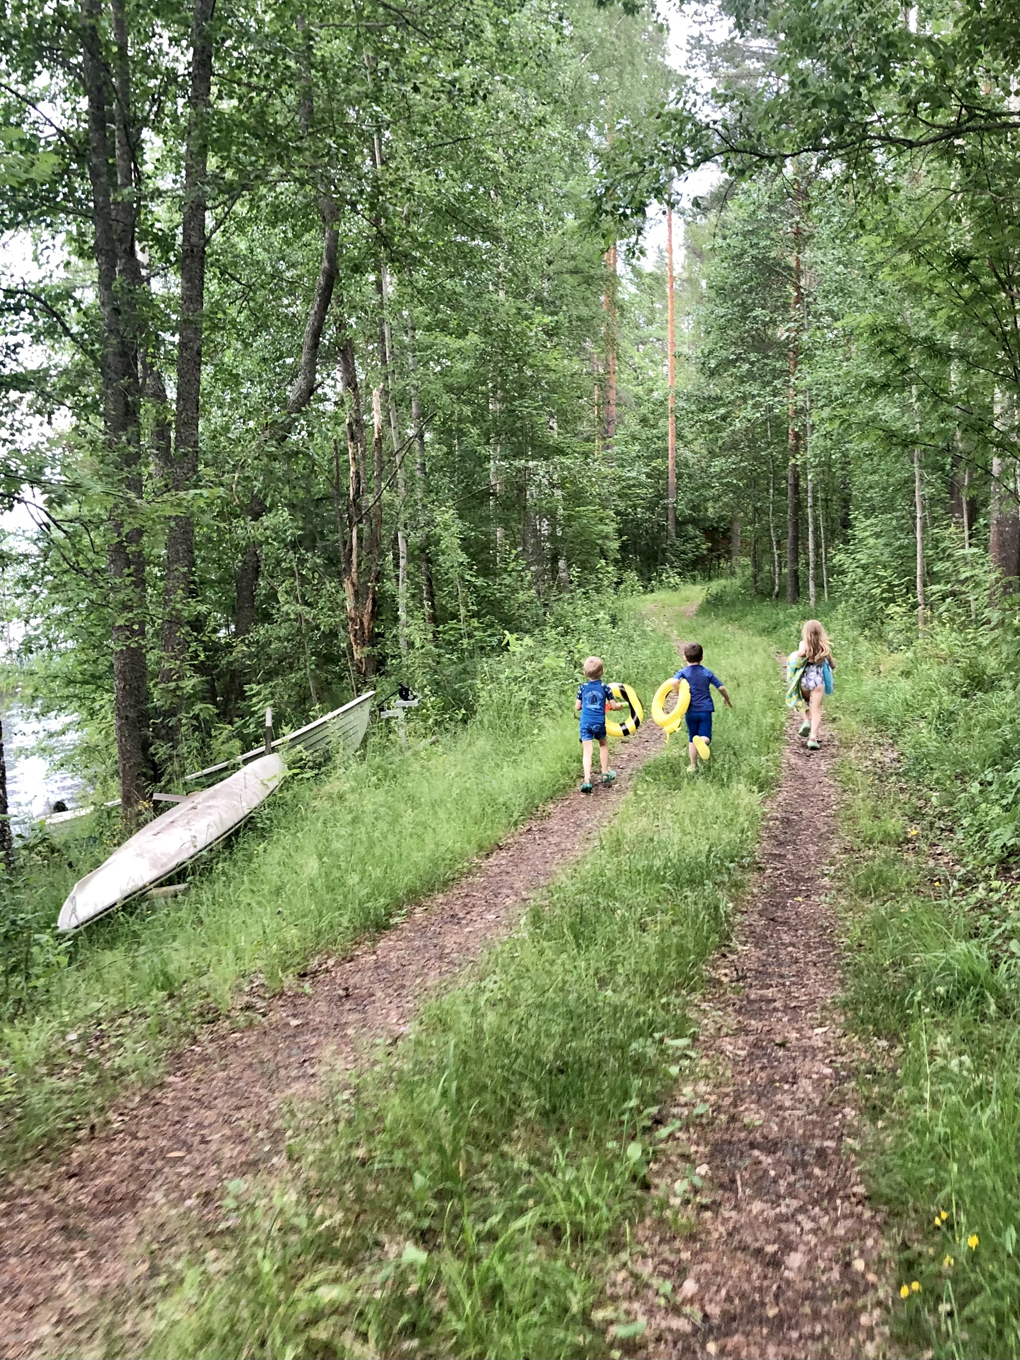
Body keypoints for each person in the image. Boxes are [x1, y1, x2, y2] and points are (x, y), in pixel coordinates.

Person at [671, 642, 733, 775]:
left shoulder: (683, 672)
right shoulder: (706, 672)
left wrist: (677, 692)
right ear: (702, 657)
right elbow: (721, 687)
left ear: (685, 658)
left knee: (692, 737)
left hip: (690, 710)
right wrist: (726, 699)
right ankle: (702, 742)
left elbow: (673, 682)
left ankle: (693, 765)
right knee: (705, 736)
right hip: (705, 709)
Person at [575, 655, 623, 793]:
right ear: (602, 672)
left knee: (587, 751)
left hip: (585, 723)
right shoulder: (605, 687)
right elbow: (613, 706)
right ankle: (605, 773)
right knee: (603, 744)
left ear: (584, 674)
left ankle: (587, 780)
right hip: (599, 722)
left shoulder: (582, 688)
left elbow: (577, 707)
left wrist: (585, 705)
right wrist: (620, 706)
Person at [794, 619, 835, 750]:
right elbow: (833, 665)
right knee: (816, 709)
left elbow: (800, 655)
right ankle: (812, 738)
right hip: (818, 682)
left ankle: (806, 721)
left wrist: (799, 655)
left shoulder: (803, 644)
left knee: (801, 700)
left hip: (805, 680)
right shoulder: (824, 646)